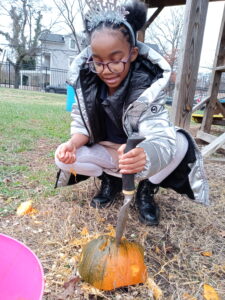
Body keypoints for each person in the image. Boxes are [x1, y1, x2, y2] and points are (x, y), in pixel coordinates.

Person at [55, 0, 209, 226]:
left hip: (138, 153)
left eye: (116, 60)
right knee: (61, 159)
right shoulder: (87, 84)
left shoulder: (148, 85)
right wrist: (71, 144)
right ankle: (111, 182)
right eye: (98, 62)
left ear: (133, 53)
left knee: (179, 142)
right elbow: (82, 126)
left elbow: (158, 134)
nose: (106, 70)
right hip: (109, 152)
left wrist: (145, 154)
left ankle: (146, 189)